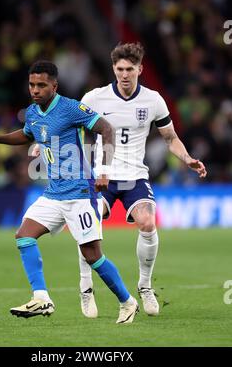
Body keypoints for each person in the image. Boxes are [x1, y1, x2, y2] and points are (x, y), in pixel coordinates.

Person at [33, 42, 207, 319]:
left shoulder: (153, 100)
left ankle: (145, 287)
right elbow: (67, 123)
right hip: (102, 175)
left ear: (140, 69)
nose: (124, 74)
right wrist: (44, 143)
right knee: (88, 222)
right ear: (113, 69)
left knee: (148, 222)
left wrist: (187, 159)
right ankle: (86, 287)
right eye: (119, 69)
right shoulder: (95, 98)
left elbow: (170, 138)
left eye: (129, 69)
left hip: (135, 176)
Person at [0, 60, 139, 324]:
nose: (35, 90)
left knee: (93, 257)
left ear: (54, 85)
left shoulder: (71, 108)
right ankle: (41, 298)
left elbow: (106, 129)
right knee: (24, 236)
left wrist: (105, 170)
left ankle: (127, 302)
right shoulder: (32, 112)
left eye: (41, 85)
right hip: (53, 194)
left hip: (79, 194)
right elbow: (28, 134)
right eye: (31, 85)